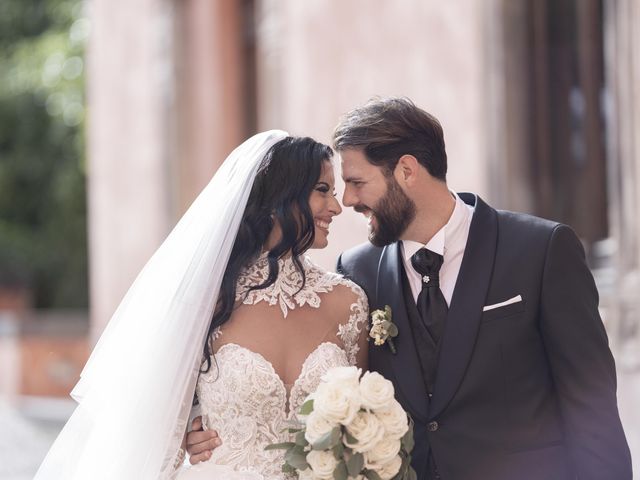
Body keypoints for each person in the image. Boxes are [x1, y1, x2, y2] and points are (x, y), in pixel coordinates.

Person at [34, 131, 368, 480]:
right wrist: (184, 436)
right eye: (322, 190)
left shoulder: (348, 303)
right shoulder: (206, 300)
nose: (336, 206)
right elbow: (147, 422)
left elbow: (361, 427)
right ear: (278, 196)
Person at [333, 97, 632, 480]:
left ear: (407, 170)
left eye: (357, 182)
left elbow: (591, 408)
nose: (348, 200)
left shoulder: (540, 249)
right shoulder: (357, 270)